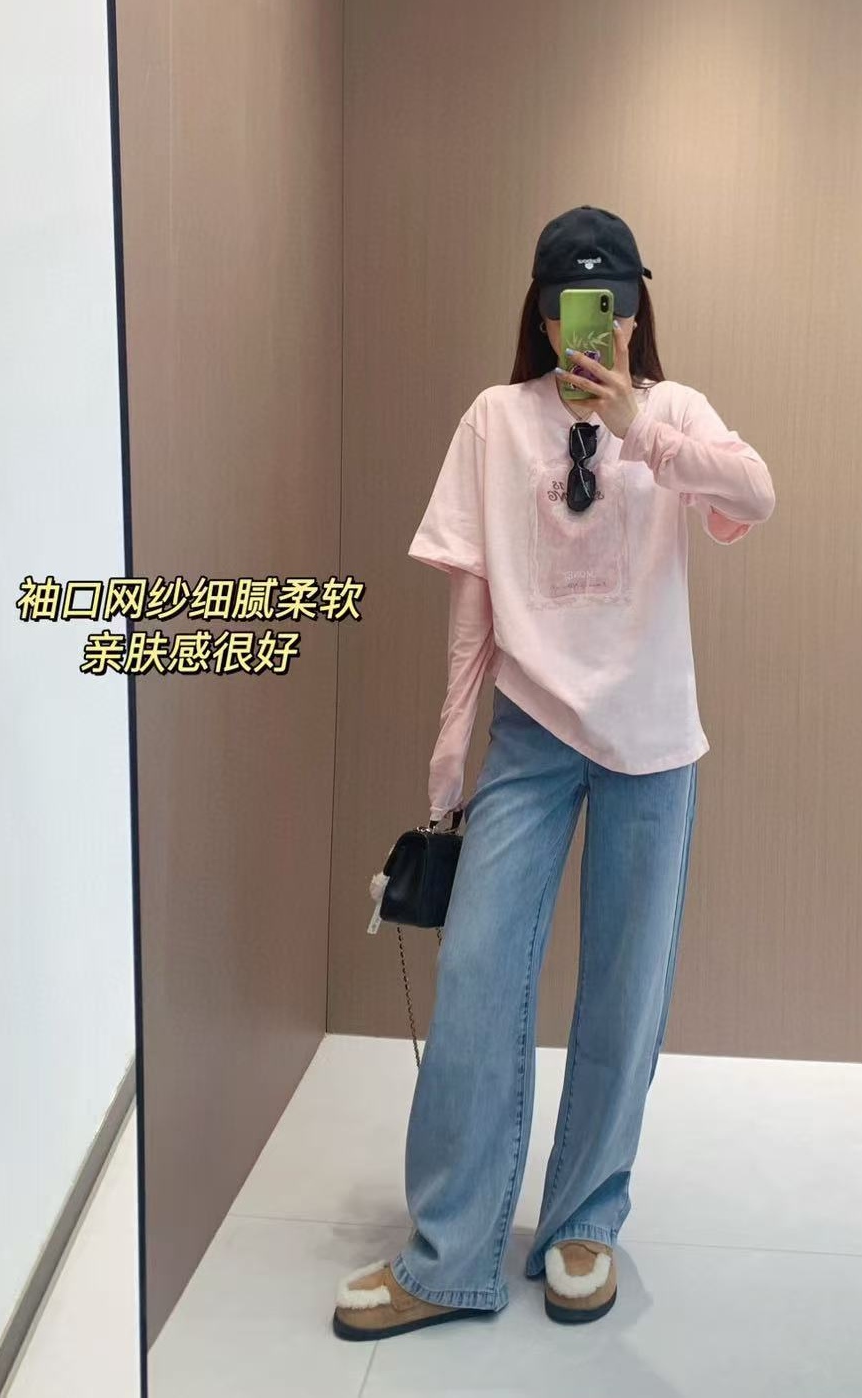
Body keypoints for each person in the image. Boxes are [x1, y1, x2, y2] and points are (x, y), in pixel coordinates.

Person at [332, 206, 775, 1341]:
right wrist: (450, 744)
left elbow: (754, 495)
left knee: (625, 990)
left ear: (634, 310)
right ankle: (450, 1253)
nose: (592, 321)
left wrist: (637, 426)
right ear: (539, 314)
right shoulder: (494, 420)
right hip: (529, 735)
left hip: (652, 744)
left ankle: (583, 1223)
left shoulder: (672, 411)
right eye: (569, 302)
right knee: (479, 972)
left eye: (612, 302)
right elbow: (473, 592)